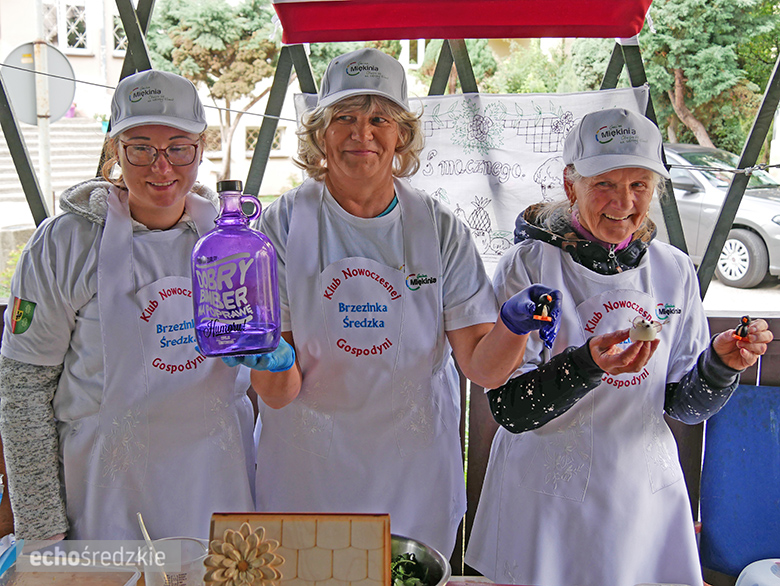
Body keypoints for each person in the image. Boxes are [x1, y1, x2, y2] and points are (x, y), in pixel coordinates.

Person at [225, 48, 560, 558]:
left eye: (379, 119)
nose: (361, 134)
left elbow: (482, 369)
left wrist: (513, 328)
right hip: (308, 471)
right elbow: (277, 395)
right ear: (320, 134)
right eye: (344, 118)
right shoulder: (284, 224)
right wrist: (268, 358)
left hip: (413, 473)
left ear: (401, 134)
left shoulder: (438, 227)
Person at [465, 108, 774, 586]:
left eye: (639, 185)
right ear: (571, 186)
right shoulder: (528, 266)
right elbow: (511, 408)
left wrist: (719, 366)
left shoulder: (673, 270)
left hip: (641, 499)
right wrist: (586, 364)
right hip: (545, 498)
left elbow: (684, 406)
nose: (623, 202)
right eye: (604, 184)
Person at [0, 69, 256, 541]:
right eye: (141, 148)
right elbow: (24, 387)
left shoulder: (235, 243)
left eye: (179, 148)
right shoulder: (63, 244)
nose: (161, 167)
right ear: (115, 151)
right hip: (105, 496)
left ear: (201, 148)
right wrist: (40, 527)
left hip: (218, 481)